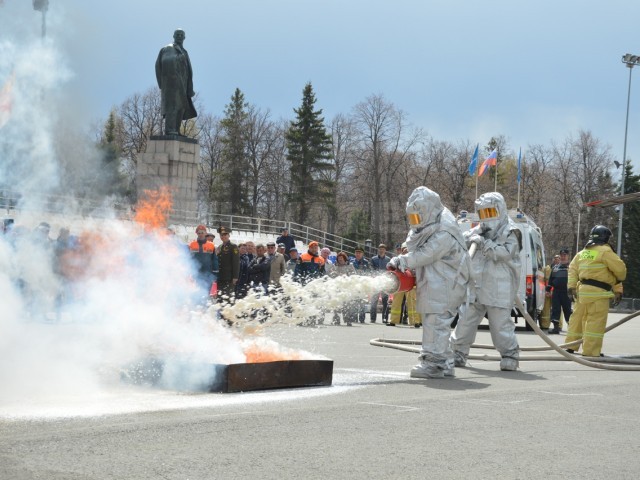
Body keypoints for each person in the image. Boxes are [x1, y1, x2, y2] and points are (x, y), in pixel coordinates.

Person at [388, 186, 472, 378]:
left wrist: (404, 260)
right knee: (437, 322)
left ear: (428, 210)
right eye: (413, 219)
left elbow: (429, 253)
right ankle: (446, 362)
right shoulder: (433, 222)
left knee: (436, 322)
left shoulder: (445, 229)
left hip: (446, 283)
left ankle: (434, 364)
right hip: (439, 281)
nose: (415, 223)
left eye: (418, 218)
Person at [451, 191, 521, 372]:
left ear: (500, 210)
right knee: (465, 320)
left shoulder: (511, 231)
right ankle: (458, 352)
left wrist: (485, 244)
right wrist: (467, 239)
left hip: (499, 287)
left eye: (490, 213)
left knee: (499, 325)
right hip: (475, 285)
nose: (487, 218)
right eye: (483, 214)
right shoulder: (478, 230)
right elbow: (460, 242)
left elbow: (506, 253)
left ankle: (509, 354)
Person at [564, 225, 626, 357]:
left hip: (582, 293)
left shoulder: (582, 253)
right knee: (595, 322)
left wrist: (571, 287)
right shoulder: (605, 252)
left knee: (577, 319)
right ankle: (590, 351)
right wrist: (618, 289)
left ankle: (570, 346)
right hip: (599, 293)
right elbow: (619, 272)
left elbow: (572, 270)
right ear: (605, 237)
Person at [155, 28, 197, 135]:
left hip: (183, 84)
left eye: (181, 35)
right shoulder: (168, 48)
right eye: (177, 34)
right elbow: (162, 63)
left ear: (184, 37)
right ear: (173, 36)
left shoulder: (185, 51)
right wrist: (163, 84)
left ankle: (176, 130)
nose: (179, 36)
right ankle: (170, 130)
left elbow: (189, 71)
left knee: (181, 107)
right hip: (171, 84)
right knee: (172, 106)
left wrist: (189, 87)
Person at [388, 243, 421, 327]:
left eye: (407, 249)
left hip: (411, 284)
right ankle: (393, 320)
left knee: (412, 302)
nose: (405, 250)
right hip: (400, 283)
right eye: (404, 249)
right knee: (396, 302)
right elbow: (390, 266)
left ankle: (415, 321)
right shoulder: (397, 259)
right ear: (402, 250)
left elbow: (419, 271)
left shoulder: (414, 258)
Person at [188, 225, 219, 301]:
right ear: (196, 233)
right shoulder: (192, 244)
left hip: (208, 273)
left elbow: (214, 259)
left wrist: (215, 273)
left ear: (205, 233)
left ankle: (205, 310)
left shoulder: (211, 245)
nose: (201, 234)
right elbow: (189, 259)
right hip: (196, 273)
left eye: (202, 232)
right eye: (199, 233)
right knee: (196, 293)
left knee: (206, 293)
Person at [547, 248, 572, 334]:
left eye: (565, 255)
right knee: (555, 309)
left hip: (567, 292)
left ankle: (572, 328)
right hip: (556, 292)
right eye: (562, 255)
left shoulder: (572, 267)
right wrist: (548, 290)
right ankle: (556, 328)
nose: (563, 257)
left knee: (568, 310)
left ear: (568, 256)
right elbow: (551, 279)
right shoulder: (555, 267)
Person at [216, 226, 239, 303]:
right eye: (221, 235)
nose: (223, 236)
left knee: (228, 299)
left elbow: (235, 262)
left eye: (225, 234)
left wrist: (235, 277)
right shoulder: (219, 247)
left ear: (229, 235)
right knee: (220, 299)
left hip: (229, 278)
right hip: (220, 277)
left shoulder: (233, 247)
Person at [333, 251, 357, 326]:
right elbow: (331, 274)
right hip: (337, 288)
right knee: (336, 304)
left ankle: (347, 320)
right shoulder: (335, 266)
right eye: (339, 258)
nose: (340, 260)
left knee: (346, 304)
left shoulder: (350, 265)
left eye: (341, 258)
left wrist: (346, 276)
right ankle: (336, 319)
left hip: (346, 287)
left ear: (344, 259)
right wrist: (336, 275)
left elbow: (354, 275)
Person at [370, 243, 390, 323]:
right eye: (380, 249)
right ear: (378, 250)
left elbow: (390, 270)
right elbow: (371, 269)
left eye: (383, 249)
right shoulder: (373, 259)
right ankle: (373, 318)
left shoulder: (388, 259)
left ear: (385, 250)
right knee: (374, 301)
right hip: (376, 282)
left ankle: (384, 318)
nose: (381, 250)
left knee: (385, 301)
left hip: (385, 283)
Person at [540, 255, 560, 330]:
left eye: (558, 259)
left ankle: (559, 325)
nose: (556, 260)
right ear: (552, 260)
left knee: (557, 309)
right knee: (546, 309)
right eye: (555, 259)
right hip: (547, 292)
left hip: (556, 292)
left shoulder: (562, 269)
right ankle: (545, 325)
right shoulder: (546, 269)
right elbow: (541, 280)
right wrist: (544, 291)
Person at [351, 247, 371, 323]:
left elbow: (369, 273)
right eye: (356, 252)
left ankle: (362, 318)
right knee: (355, 302)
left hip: (362, 285)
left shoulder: (366, 262)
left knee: (362, 302)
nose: (358, 254)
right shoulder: (352, 262)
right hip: (355, 284)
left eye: (359, 253)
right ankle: (354, 318)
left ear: (362, 254)